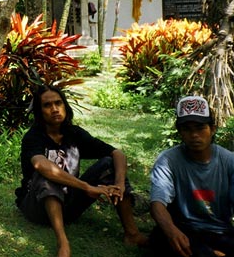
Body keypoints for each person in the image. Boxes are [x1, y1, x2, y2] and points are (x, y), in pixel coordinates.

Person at [16, 85, 147, 257]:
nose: (55, 109)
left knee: (109, 163)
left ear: (65, 106)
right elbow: (42, 166)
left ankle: (132, 234)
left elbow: (117, 154)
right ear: (40, 112)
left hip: (69, 205)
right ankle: (63, 244)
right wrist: (86, 187)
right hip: (37, 207)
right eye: (47, 105)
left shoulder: (74, 134)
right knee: (48, 174)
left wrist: (120, 183)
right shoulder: (33, 137)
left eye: (58, 103)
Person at [149, 95, 234, 257]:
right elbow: (157, 204)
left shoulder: (229, 161)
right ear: (180, 131)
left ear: (212, 129)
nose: (194, 134)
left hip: (220, 232)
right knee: (165, 239)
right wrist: (171, 231)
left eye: (200, 127)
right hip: (184, 229)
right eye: (187, 129)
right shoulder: (168, 160)